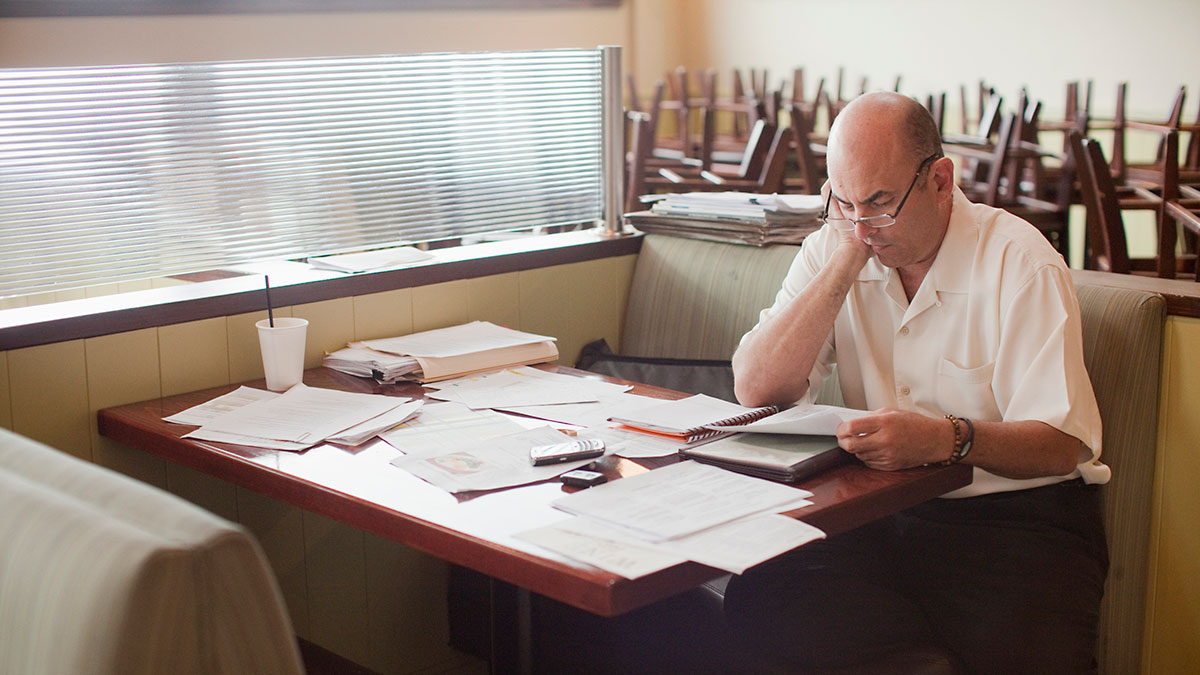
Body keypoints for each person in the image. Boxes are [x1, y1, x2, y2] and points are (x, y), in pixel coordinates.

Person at [723, 92, 1109, 674]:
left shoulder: (1019, 261)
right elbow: (755, 388)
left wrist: (946, 439)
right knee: (762, 594)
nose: (860, 223)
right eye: (842, 201)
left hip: (1019, 520)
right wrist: (847, 258)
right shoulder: (839, 243)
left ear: (940, 180)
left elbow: (1061, 444)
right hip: (879, 513)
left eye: (879, 202)